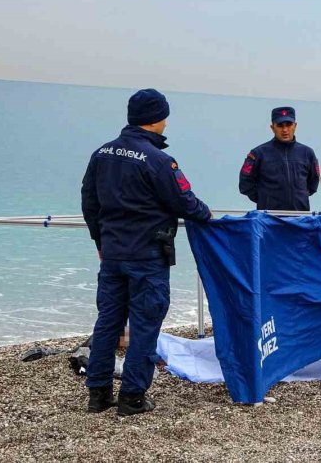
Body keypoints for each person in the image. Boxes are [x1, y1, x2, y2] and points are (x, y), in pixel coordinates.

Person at [81, 88, 212, 416]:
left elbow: (89, 202)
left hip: (111, 254)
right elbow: (184, 202)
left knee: (108, 321)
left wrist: (100, 242)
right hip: (147, 256)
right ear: (158, 118)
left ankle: (97, 394)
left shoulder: (101, 154)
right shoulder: (158, 160)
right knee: (144, 324)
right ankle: (132, 396)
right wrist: (208, 215)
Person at [238, 106, 320, 210]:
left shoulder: (307, 153)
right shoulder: (258, 154)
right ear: (272, 127)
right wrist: (265, 199)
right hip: (269, 220)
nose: (285, 130)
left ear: (295, 126)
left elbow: (313, 183)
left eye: (289, 125)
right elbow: (245, 184)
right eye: (280, 125)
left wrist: (300, 196)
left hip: (300, 218)